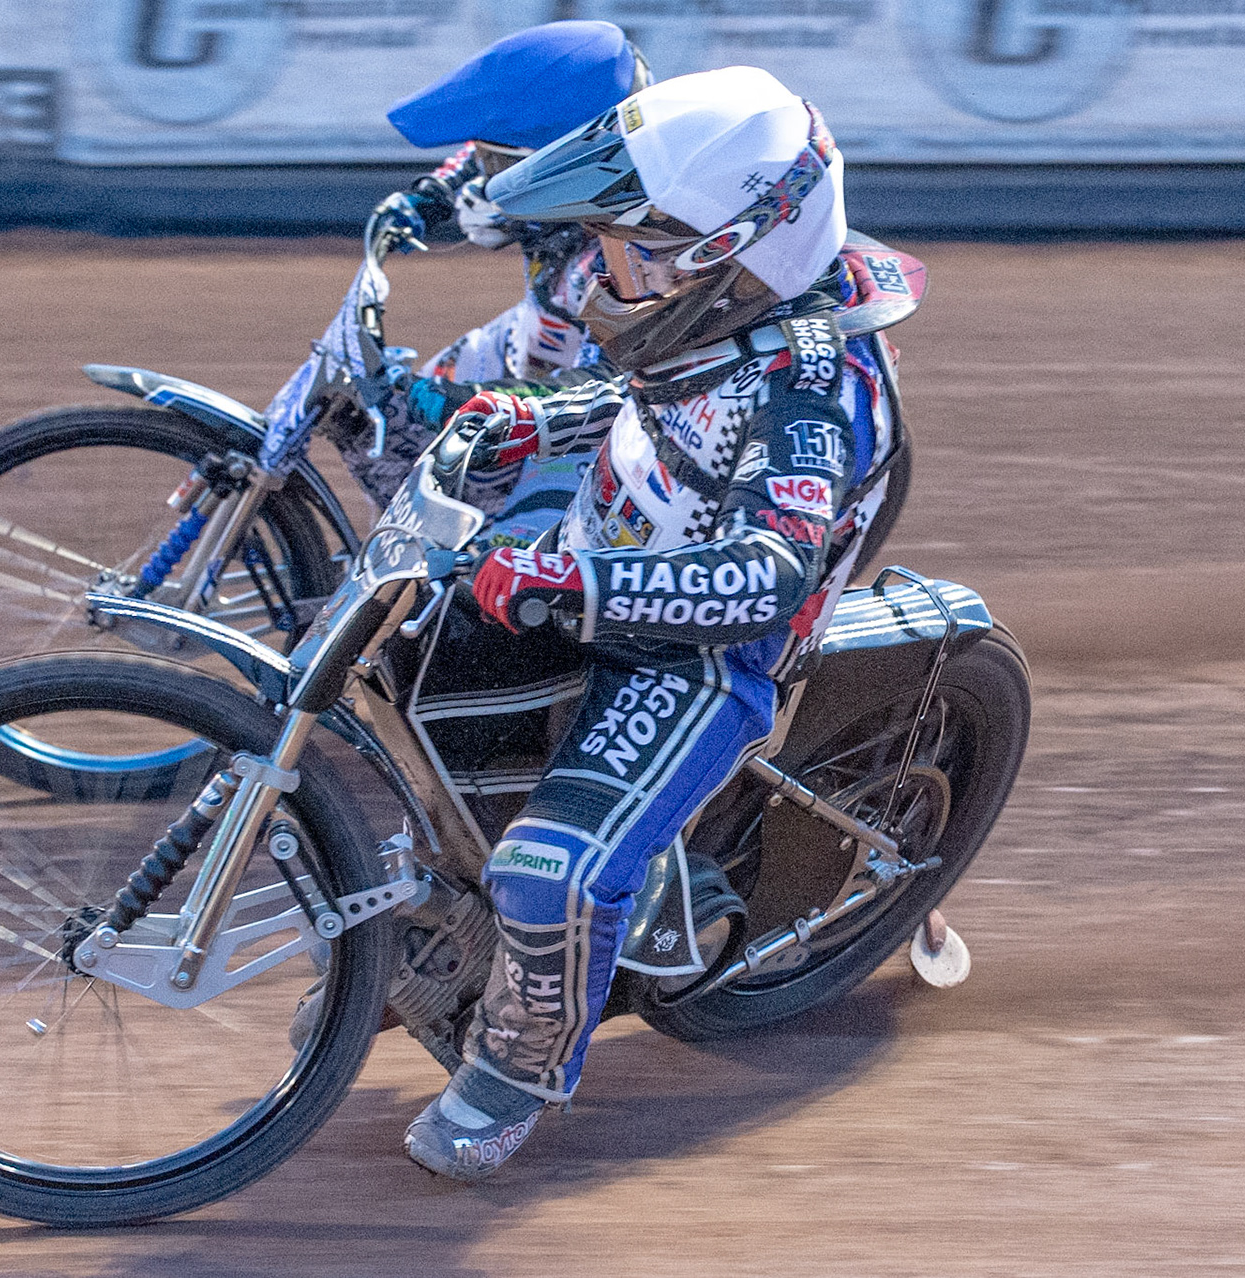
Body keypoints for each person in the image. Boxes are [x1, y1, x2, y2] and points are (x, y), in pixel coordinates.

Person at [402, 65, 898, 1181]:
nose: (603, 268)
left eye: (630, 243)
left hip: (701, 652)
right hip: (603, 560)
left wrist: (580, 591)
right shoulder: (715, 311)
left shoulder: (812, 389)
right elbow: (646, 404)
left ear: (722, 249)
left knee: (548, 873)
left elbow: (770, 571)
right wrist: (529, 425)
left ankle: (518, 1068)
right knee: (406, 697)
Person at [263, 20, 650, 548]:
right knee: (412, 408)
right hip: (542, 333)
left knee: (515, 547)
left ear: (564, 164)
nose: (480, 183)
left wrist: (445, 403)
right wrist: (428, 196)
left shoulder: (628, 256)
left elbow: (600, 393)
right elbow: (485, 149)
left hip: (608, 417)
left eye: (500, 168)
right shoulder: (592, 146)